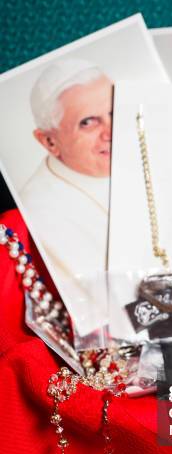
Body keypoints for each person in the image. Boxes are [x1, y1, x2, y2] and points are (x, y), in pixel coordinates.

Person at [20, 59, 113, 324]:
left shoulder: (148, 152)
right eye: (88, 122)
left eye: (115, 113)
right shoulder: (40, 213)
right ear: (49, 141)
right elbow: (99, 315)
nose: (111, 131)